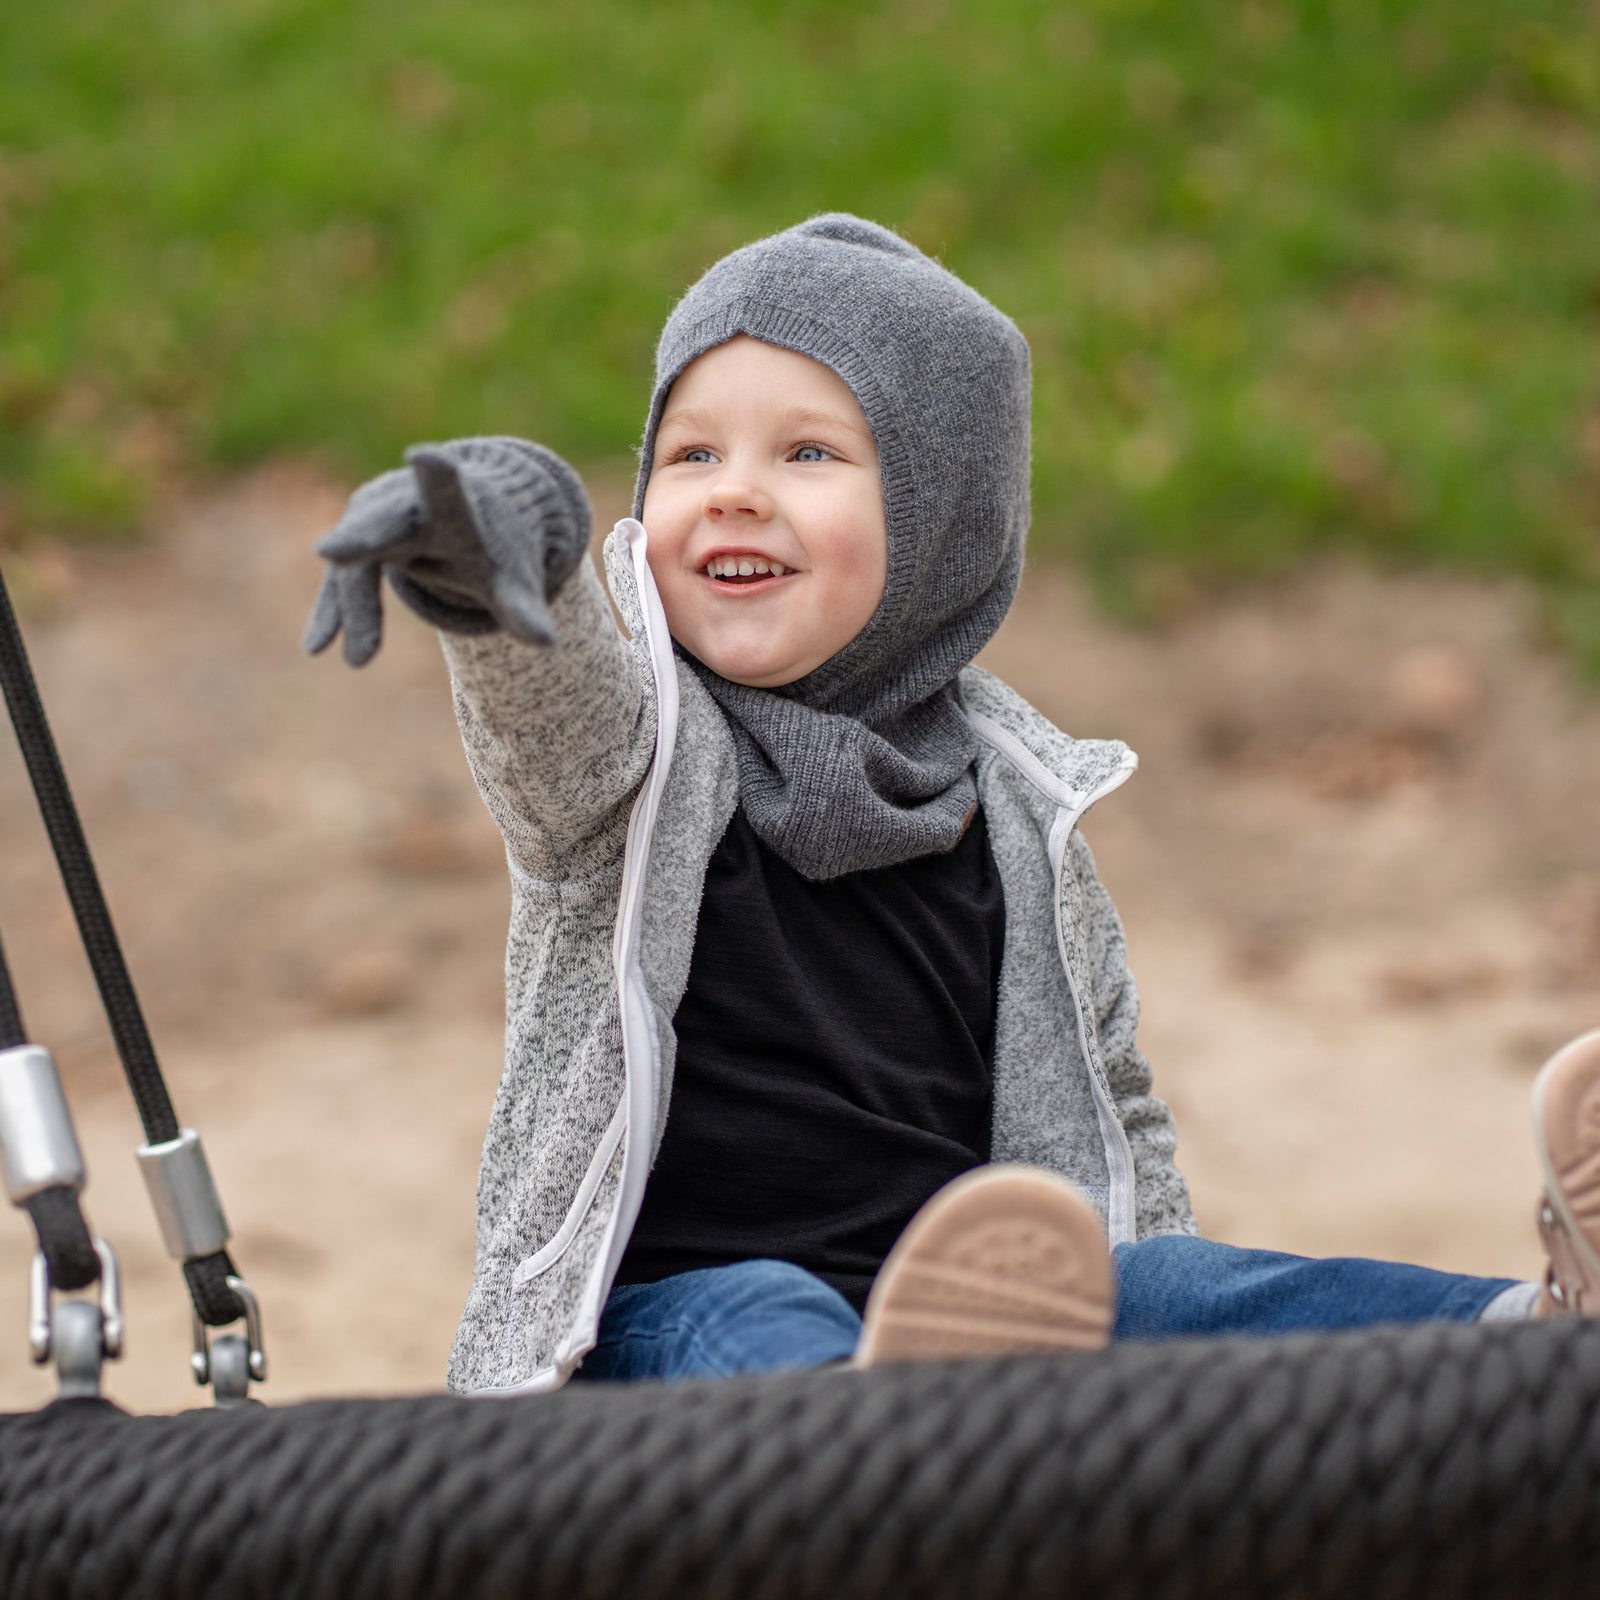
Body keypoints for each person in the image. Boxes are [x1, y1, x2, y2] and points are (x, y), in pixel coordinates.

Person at [303, 214, 1600, 1392]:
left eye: (809, 451)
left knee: (1173, 1280)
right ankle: (880, 1456)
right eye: (690, 453)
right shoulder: (638, 757)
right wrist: (493, 556)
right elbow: (552, 710)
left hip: (974, 1320)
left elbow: (1115, 1101)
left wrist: (1159, 1364)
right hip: (654, 1330)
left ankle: (1520, 1338)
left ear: (939, 520)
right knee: (763, 1313)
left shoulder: (1020, 803)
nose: (734, 489)